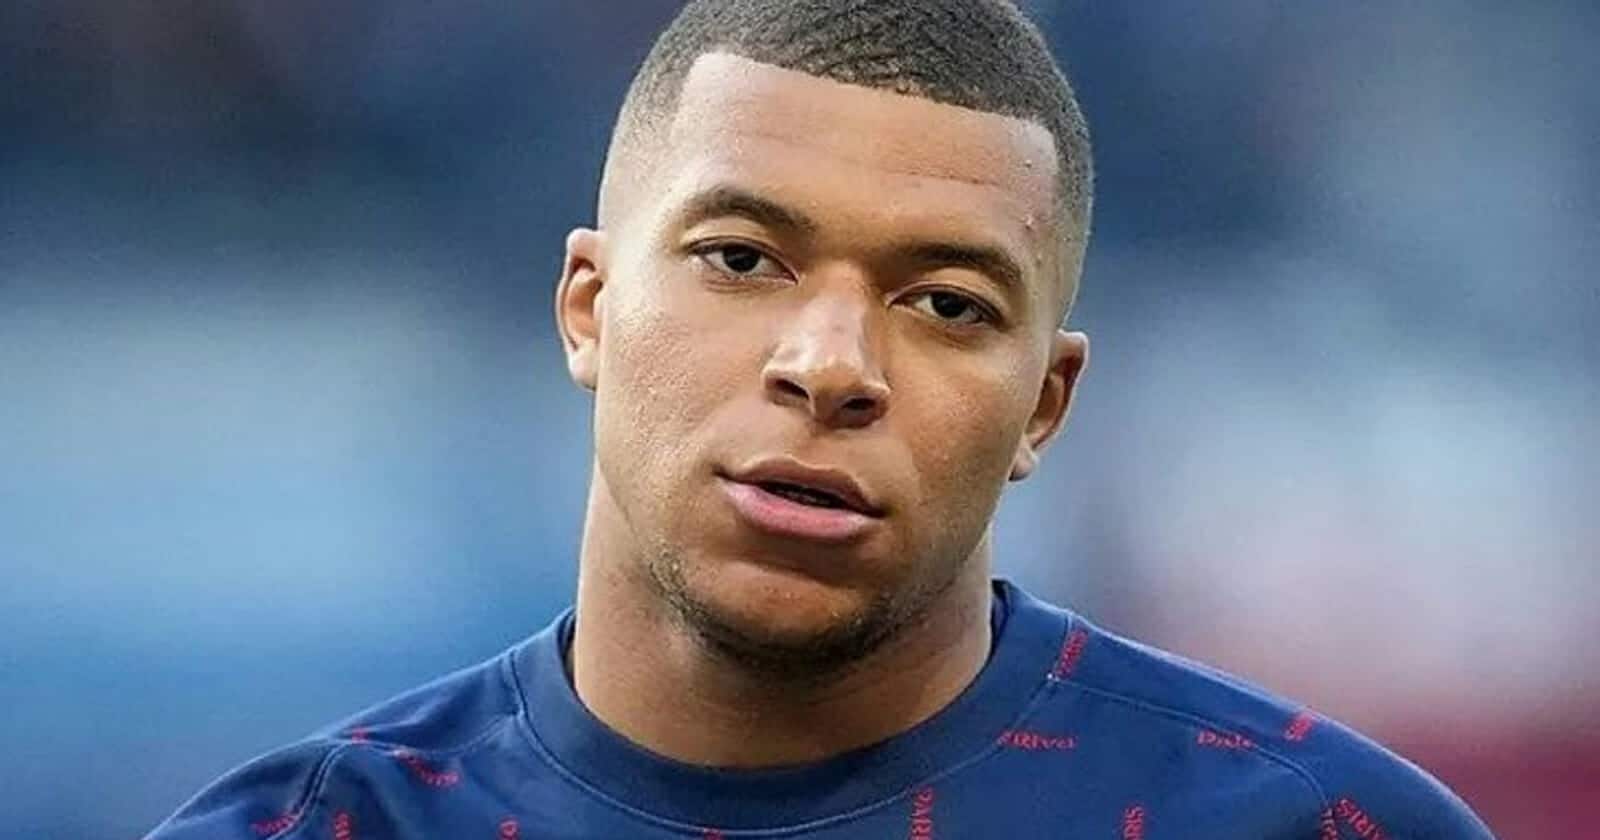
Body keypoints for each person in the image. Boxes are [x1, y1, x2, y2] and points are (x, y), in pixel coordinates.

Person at [148, 1, 1496, 837]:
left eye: (949, 304)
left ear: (1046, 405)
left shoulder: (1317, 828)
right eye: (742, 259)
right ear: (587, 309)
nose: (830, 365)